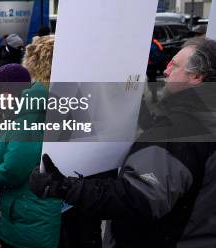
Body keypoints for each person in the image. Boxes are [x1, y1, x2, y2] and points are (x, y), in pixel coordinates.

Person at [29, 38, 216, 247]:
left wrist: (64, 187)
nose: (166, 69)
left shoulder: (179, 130)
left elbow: (138, 198)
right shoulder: (202, 117)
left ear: (197, 77)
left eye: (175, 65)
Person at [0, 63, 61, 248]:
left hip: (29, 218)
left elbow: (13, 170)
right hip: (25, 212)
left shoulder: (26, 120)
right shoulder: (21, 116)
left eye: (0, 92)